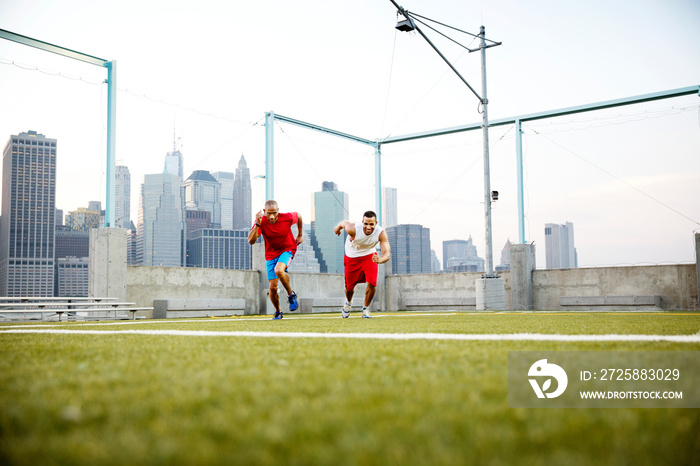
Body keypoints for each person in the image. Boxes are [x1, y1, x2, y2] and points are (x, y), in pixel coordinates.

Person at [248, 200, 302, 320]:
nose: (272, 216)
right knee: (272, 288)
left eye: (274, 213)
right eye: (268, 213)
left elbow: (298, 216)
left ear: (278, 211)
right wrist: (257, 224)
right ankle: (278, 311)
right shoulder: (261, 222)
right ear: (264, 212)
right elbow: (251, 241)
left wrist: (300, 234)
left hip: (288, 249)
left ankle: (291, 295)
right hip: (271, 255)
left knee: (279, 270)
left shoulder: (287, 217)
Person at [334, 211, 391, 318]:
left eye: (371, 224)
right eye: (366, 224)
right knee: (349, 288)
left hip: (369, 255)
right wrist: (337, 228)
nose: (368, 227)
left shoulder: (380, 233)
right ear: (362, 222)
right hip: (352, 257)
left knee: (372, 282)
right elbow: (343, 222)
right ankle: (348, 303)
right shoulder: (353, 228)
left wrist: (379, 260)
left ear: (376, 223)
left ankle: (365, 310)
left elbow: (387, 254)